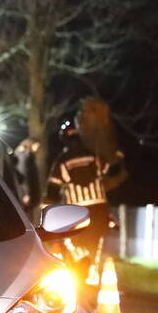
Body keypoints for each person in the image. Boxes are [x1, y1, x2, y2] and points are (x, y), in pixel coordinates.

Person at [46, 118, 127, 280]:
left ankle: (81, 261)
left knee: (69, 239)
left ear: (64, 139)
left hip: (77, 212)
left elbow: (53, 190)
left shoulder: (62, 161)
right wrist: (118, 157)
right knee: (96, 244)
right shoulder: (93, 156)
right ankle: (93, 275)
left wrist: (46, 212)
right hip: (99, 210)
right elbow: (111, 171)